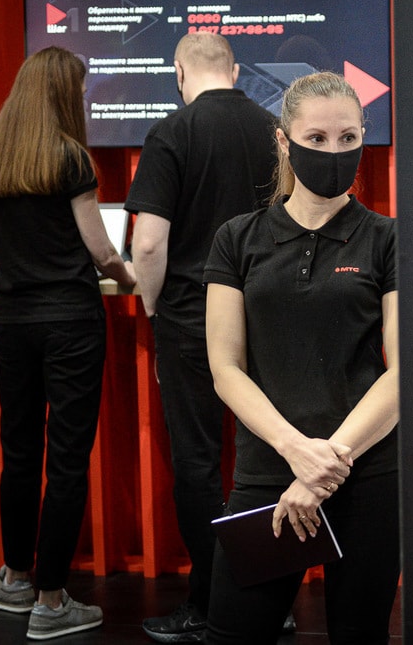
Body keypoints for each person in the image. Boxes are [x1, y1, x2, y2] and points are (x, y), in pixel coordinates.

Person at [203, 71, 400, 644]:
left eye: (348, 138)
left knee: (359, 635)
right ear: (284, 141)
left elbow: (404, 371)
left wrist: (324, 469)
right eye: (316, 138)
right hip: (269, 471)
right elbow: (225, 368)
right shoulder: (237, 239)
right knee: (233, 634)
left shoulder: (388, 239)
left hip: (364, 473)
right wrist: (296, 452)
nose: (333, 152)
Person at [0, 46, 137, 640]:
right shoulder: (70, 159)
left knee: (19, 452)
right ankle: (52, 600)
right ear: (65, 93)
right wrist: (130, 278)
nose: (84, 99)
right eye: (81, 91)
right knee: (66, 459)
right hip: (71, 324)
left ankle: (14, 579)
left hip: (12, 322)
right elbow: (101, 251)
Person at [124, 31, 280, 642]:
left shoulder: (172, 132)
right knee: (264, 460)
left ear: (179, 74)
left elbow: (148, 244)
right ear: (235, 71)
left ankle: (213, 605)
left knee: (197, 465)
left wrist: (154, 308)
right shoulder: (274, 128)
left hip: (191, 320)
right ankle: (269, 601)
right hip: (265, 320)